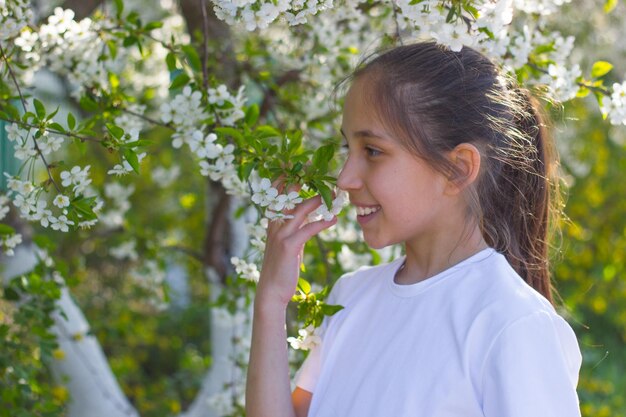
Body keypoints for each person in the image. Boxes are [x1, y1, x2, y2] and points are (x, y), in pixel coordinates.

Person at [245, 41, 582, 417]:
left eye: (372, 151)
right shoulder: (351, 298)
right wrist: (272, 301)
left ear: (457, 169)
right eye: (347, 148)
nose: (344, 178)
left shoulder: (511, 324)